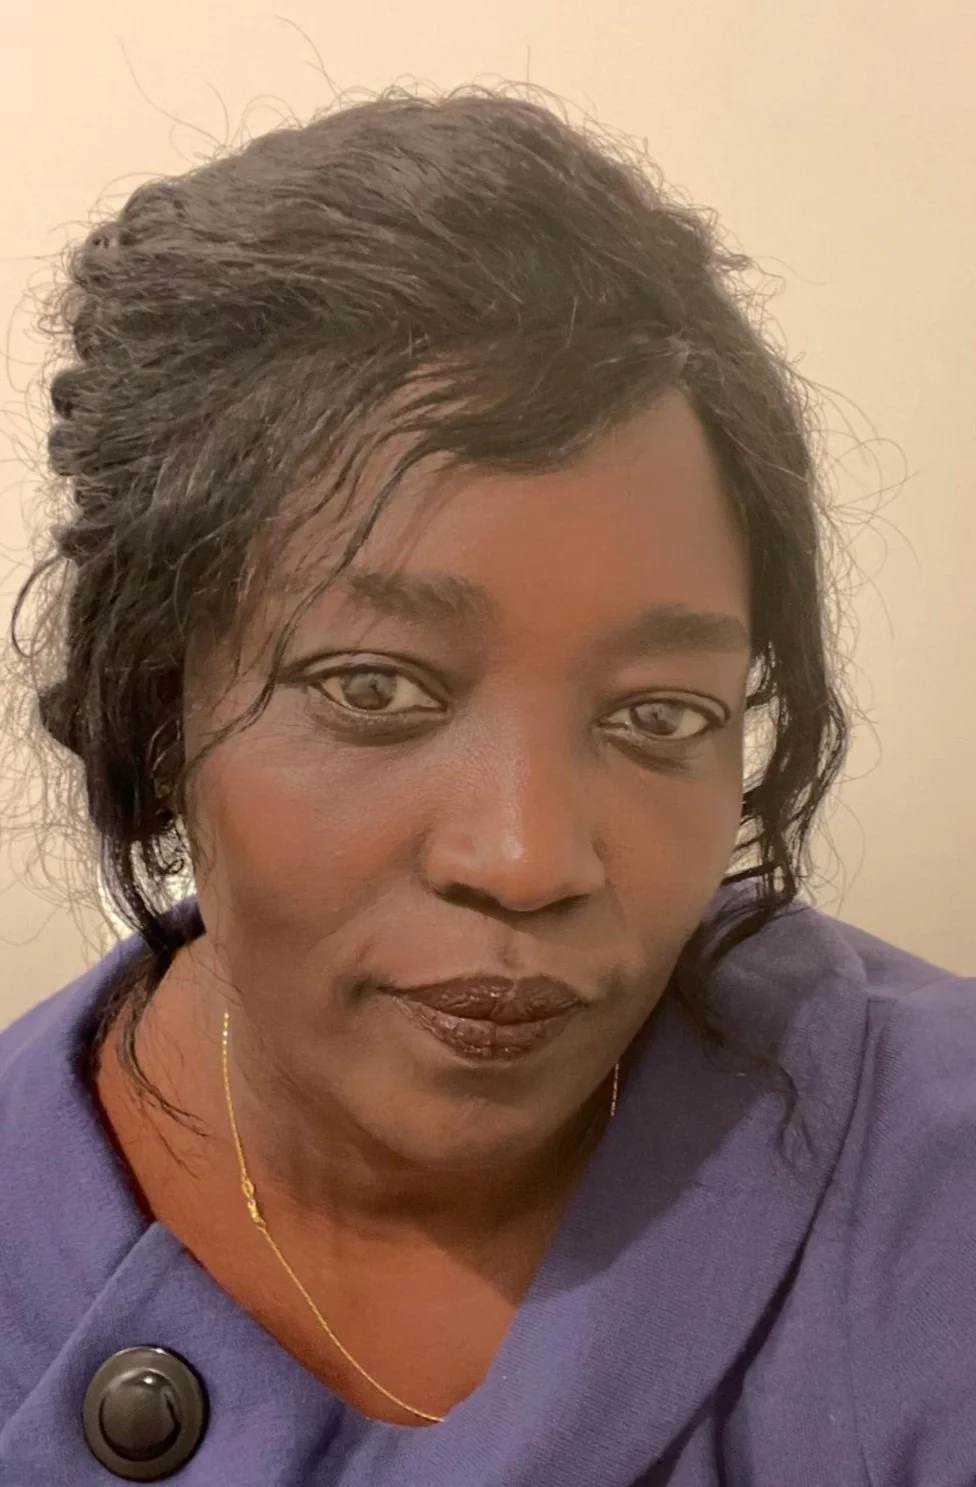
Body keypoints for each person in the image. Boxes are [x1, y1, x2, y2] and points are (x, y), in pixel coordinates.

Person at [0, 86, 972, 1487]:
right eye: (374, 689)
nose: (526, 859)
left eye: (658, 713)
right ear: (159, 703)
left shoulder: (932, 1176)